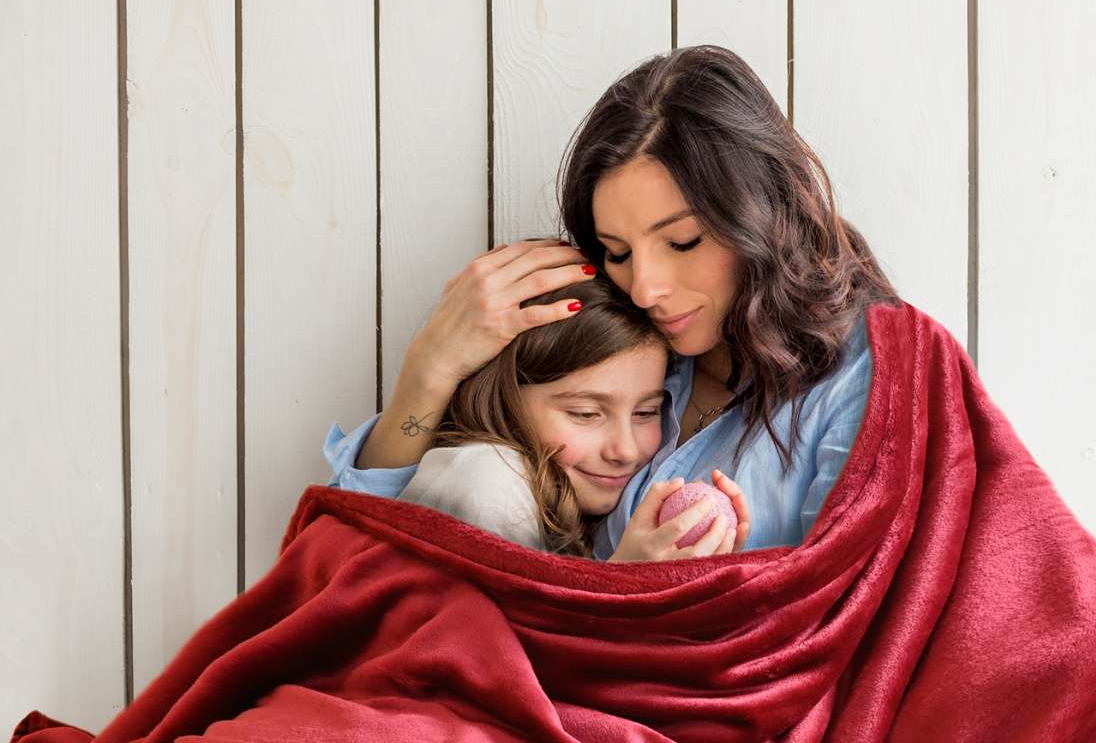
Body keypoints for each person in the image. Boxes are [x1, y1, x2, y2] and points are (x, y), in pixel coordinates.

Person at [323, 44, 900, 559]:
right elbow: (368, 560)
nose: (645, 289)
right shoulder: (623, 335)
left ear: (764, 217)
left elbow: (847, 626)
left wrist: (637, 597)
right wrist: (429, 372)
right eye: (617, 251)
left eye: (683, 242)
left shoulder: (871, 381)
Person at [329, 273, 748, 558]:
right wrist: (624, 585)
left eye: (646, 411)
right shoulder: (487, 482)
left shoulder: (570, 501)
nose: (625, 450)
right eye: (585, 413)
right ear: (506, 400)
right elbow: (488, 665)